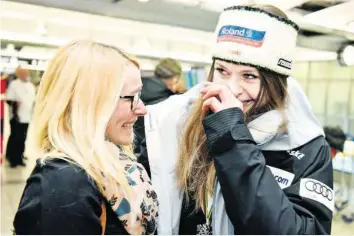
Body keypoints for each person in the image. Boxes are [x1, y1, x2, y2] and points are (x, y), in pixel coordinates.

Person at [143, 4, 333, 235]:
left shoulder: (306, 145)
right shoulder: (183, 118)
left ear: (275, 83)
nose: (231, 89)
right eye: (222, 71)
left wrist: (232, 138)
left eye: (249, 76)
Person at [13, 40, 158, 235]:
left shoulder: (109, 162)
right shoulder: (63, 186)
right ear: (90, 104)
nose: (142, 109)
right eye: (130, 97)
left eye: (139, 94)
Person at [134, 58, 184, 177]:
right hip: (162, 167)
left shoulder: (136, 93)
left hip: (139, 161)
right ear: (175, 79)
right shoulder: (170, 103)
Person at [5, 67, 36, 167]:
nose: (26, 75)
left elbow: (33, 100)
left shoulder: (31, 86)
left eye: (26, 73)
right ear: (19, 74)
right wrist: (15, 104)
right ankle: (12, 158)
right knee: (15, 138)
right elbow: (8, 99)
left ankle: (19, 157)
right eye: (23, 73)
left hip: (27, 117)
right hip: (16, 116)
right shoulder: (14, 84)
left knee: (23, 138)